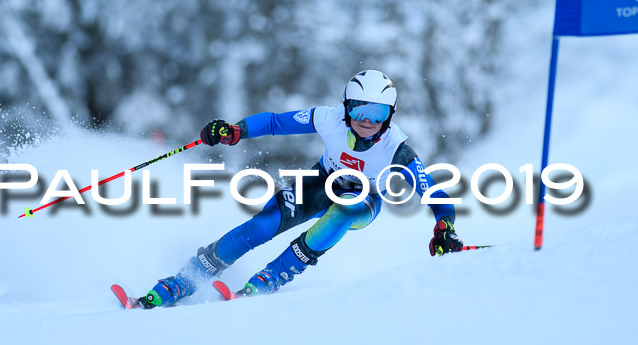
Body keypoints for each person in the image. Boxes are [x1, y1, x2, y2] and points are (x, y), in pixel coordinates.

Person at [138, 70, 463, 308]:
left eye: (377, 113)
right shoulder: (329, 118)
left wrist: (444, 226)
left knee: (344, 208)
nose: (367, 120)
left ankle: (272, 277)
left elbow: (432, 191)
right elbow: (277, 122)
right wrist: (236, 131)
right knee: (264, 223)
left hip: (364, 200)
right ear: (346, 108)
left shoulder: (396, 149)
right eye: (359, 110)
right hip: (321, 181)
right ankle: (186, 279)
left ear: (389, 117)